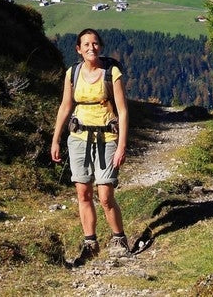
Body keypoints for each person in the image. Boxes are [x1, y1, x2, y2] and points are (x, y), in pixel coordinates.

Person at [51, 28, 130, 266]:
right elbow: (65, 107)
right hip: (78, 138)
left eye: (94, 44)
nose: (90, 48)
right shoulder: (72, 73)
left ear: (100, 46)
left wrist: (122, 145)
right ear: (78, 49)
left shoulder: (112, 73)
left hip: (107, 138)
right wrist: (55, 139)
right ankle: (90, 243)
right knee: (83, 193)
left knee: (105, 195)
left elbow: (123, 111)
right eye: (85, 44)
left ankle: (119, 239)